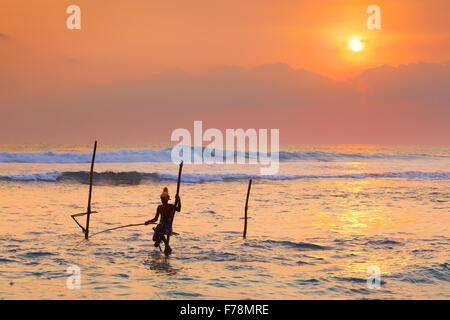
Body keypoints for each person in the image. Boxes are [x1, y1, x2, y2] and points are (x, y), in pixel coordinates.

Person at [145, 187, 181, 254]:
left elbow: (178, 209)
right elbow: (155, 219)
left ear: (167, 199)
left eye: (164, 199)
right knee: (154, 239)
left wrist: (179, 200)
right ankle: (165, 244)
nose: (162, 201)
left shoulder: (171, 206)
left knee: (162, 234)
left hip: (168, 225)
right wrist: (148, 222)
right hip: (161, 224)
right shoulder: (159, 207)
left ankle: (166, 245)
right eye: (161, 199)